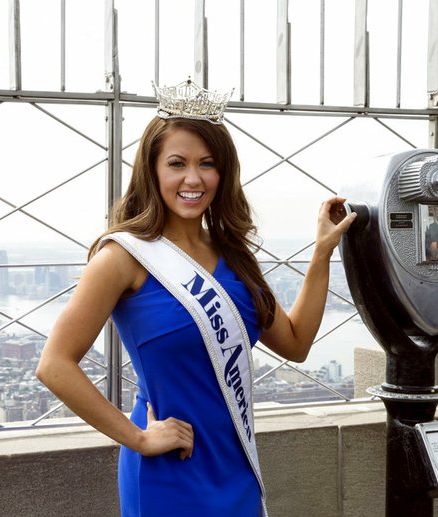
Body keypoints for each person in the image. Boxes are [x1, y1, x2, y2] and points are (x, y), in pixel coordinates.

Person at [36, 82, 357, 516]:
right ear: (152, 170)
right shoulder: (123, 257)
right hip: (169, 472)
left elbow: (296, 343)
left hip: (235, 467)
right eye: (177, 163)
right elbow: (55, 365)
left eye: (207, 164)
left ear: (223, 174)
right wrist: (139, 438)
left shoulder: (234, 256)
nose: (193, 178)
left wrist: (321, 253)